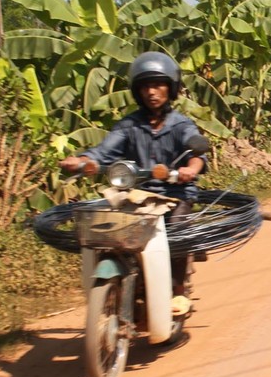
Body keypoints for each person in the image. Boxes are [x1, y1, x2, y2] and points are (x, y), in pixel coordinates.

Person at [60, 51, 207, 303]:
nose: (151, 92)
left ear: (170, 88)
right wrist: (83, 161)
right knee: (106, 231)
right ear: (137, 91)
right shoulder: (128, 126)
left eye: (158, 85)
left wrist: (190, 169)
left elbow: (196, 152)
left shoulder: (181, 124)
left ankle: (178, 289)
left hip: (174, 195)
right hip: (136, 196)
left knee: (176, 231)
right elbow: (103, 152)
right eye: (145, 86)